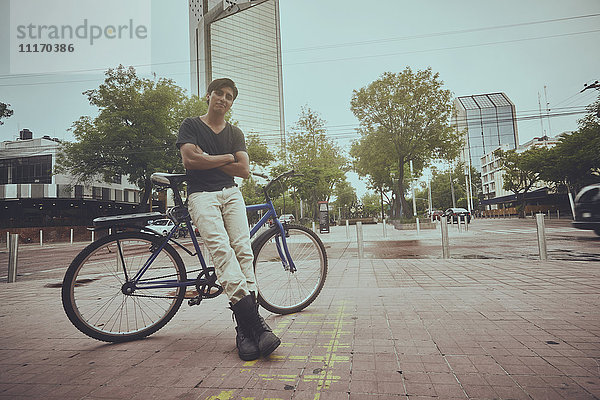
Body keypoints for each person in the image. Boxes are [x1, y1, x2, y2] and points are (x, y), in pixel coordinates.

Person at [176, 78, 280, 361]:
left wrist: (208, 157)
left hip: (231, 194)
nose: (223, 99)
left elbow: (244, 170)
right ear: (208, 96)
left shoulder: (235, 132)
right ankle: (256, 326)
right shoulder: (190, 125)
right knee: (222, 252)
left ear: (232, 102)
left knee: (243, 253)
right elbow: (190, 161)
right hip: (201, 195)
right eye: (219, 94)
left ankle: (244, 331)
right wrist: (225, 159)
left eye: (229, 96)